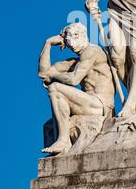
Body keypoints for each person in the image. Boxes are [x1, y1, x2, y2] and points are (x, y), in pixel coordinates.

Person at [38, 22, 115, 154]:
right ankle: (59, 153)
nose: (71, 44)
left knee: (55, 88)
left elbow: (74, 79)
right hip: (89, 103)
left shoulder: (92, 51)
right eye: (67, 41)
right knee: (49, 126)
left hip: (101, 104)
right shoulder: (76, 62)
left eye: (74, 38)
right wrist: (48, 43)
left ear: (82, 36)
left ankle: (63, 141)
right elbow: (43, 73)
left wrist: (54, 77)